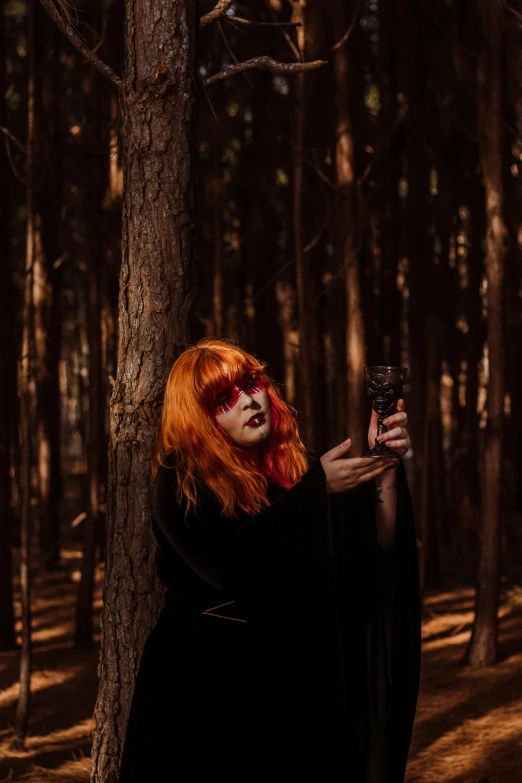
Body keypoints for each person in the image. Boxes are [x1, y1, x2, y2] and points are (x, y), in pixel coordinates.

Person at [117, 337, 421, 783]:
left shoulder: (295, 470)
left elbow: (381, 542)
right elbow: (232, 569)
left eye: (249, 384)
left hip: (290, 685)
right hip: (202, 694)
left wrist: (385, 460)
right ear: (199, 420)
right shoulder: (180, 481)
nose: (247, 402)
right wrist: (315, 493)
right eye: (224, 400)